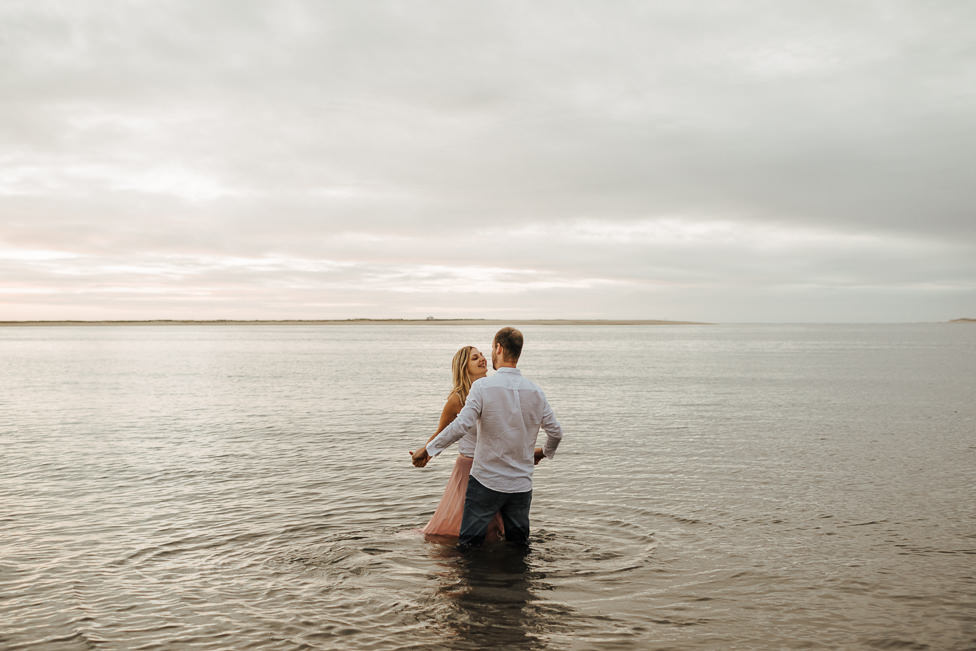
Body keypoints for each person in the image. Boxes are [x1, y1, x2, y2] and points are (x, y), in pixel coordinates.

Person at [411, 327, 563, 549]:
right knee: (518, 545)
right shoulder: (535, 391)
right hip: (521, 484)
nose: (484, 357)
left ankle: (475, 581)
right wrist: (543, 453)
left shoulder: (483, 387)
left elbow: (461, 425)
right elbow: (556, 433)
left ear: (498, 348)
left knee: (470, 546)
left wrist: (428, 450)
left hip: (486, 480)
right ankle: (518, 582)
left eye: (487, 351)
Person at [420, 345, 504, 541]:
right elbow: (443, 432)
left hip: (493, 465)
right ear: (464, 367)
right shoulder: (457, 398)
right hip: (469, 467)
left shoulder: (493, 391)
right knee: (464, 523)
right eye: (475, 358)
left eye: (482, 355)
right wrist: (425, 453)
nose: (482, 359)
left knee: (494, 525)